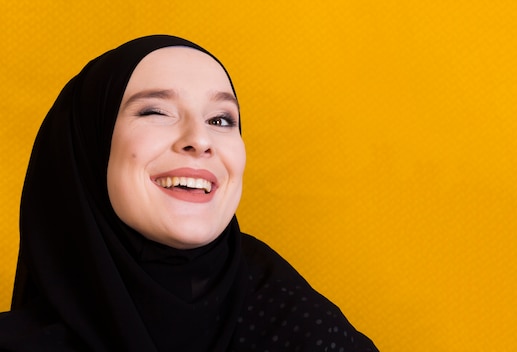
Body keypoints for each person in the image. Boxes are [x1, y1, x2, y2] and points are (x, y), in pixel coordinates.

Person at [0, 35, 378, 351]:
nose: (200, 139)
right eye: (155, 112)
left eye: (220, 120)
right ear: (89, 148)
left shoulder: (294, 321)